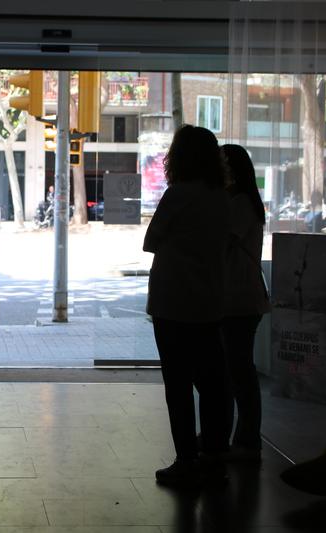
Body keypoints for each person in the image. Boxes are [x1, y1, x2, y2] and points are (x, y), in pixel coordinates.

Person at [143, 125, 231, 489]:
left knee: (177, 384)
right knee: (212, 383)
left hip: (172, 299)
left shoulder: (177, 194)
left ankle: (186, 460)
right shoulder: (222, 197)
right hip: (209, 300)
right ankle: (214, 454)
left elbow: (151, 241)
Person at [219, 144, 271, 462]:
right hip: (240, 297)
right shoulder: (243, 201)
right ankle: (244, 433)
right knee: (238, 368)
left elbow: (223, 243)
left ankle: (248, 434)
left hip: (239, 298)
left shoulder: (239, 204)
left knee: (238, 369)